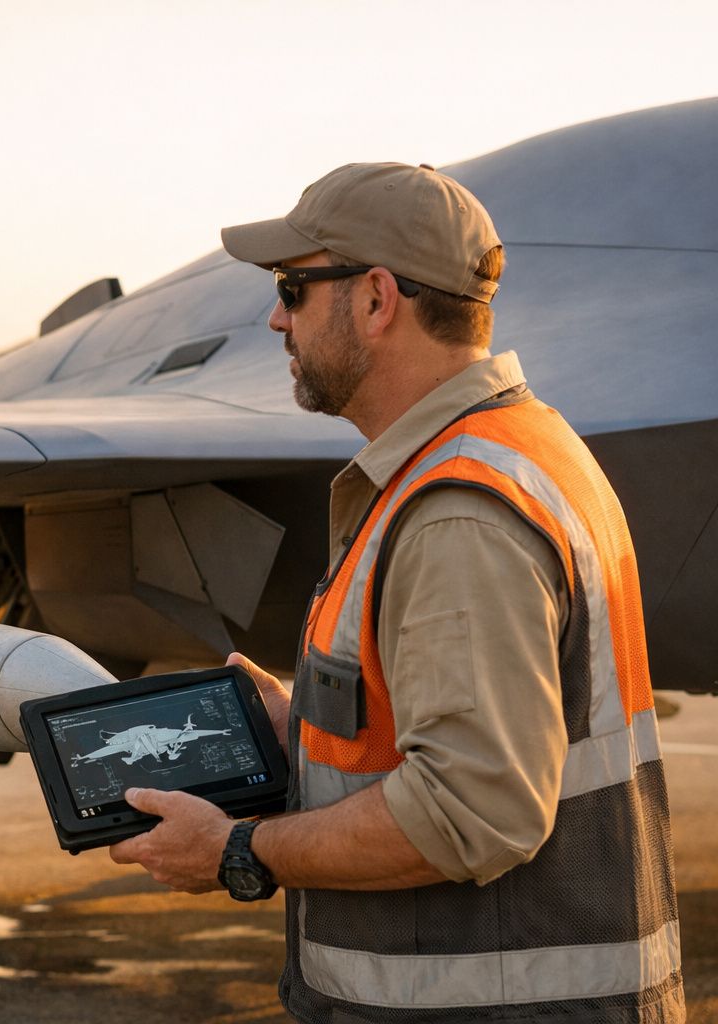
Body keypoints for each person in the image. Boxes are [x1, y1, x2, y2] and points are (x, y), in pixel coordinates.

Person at [109, 162, 683, 1022]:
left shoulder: (460, 509)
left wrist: (239, 849)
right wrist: (305, 724)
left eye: (294, 287)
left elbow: (469, 808)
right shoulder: (519, 448)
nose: (275, 317)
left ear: (377, 300)